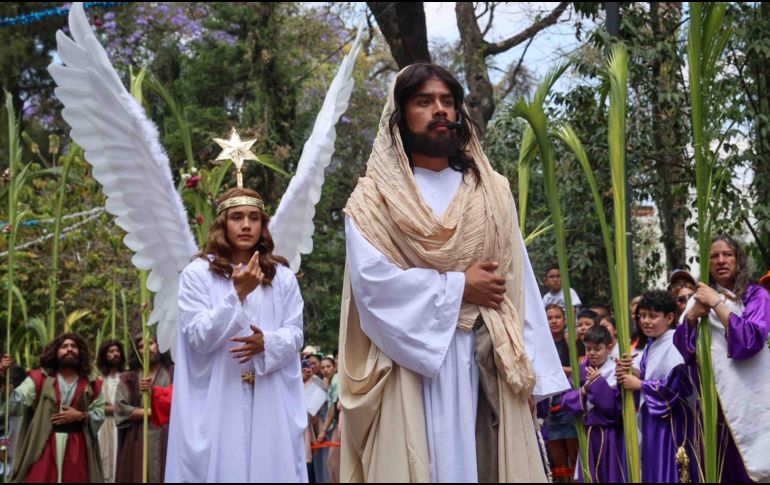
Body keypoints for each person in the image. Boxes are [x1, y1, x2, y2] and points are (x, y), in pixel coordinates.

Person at [339, 63, 568, 482]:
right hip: (410, 367)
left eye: (447, 101)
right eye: (424, 102)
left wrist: (534, 376)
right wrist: (460, 286)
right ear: (400, 115)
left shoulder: (491, 190)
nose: (439, 110)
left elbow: (517, 284)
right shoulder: (372, 200)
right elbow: (373, 287)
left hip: (489, 357)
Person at [165, 187, 307, 482]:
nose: (246, 225)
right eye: (237, 217)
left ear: (262, 225)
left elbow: (295, 333)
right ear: (222, 223)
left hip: (270, 401)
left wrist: (267, 343)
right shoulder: (198, 274)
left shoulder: (281, 277)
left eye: (254, 218)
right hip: (219, 402)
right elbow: (198, 336)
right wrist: (238, 294)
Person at [674, 235, 770, 482]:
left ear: (738, 259)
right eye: (714, 256)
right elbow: (683, 350)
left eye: (727, 254)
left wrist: (717, 303)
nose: (721, 260)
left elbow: (750, 340)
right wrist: (692, 317)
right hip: (711, 405)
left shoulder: (756, 295)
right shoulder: (697, 299)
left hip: (747, 400)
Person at [1, 333, 104, 482]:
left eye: (73, 346)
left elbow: (99, 413)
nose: (69, 349)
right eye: (64, 346)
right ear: (55, 352)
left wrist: (81, 415)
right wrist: (5, 379)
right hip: (43, 444)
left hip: (78, 445)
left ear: (80, 352)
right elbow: (15, 404)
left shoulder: (91, 382)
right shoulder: (39, 378)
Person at [617, 290, 697, 483]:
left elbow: (676, 386)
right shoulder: (653, 343)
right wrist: (630, 371)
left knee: (667, 466)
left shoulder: (675, 341)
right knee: (653, 466)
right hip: (653, 418)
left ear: (669, 317)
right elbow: (650, 374)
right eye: (642, 316)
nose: (645, 321)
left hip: (670, 420)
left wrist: (640, 385)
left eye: (652, 316)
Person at [561, 325, 627, 483]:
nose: (592, 353)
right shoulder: (581, 370)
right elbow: (564, 401)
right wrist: (583, 390)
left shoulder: (616, 370)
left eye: (597, 349)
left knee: (610, 475)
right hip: (588, 433)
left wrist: (597, 383)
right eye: (588, 348)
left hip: (610, 434)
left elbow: (613, 408)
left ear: (609, 348)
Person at [114, 335, 173, 483]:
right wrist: (153, 412)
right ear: (136, 352)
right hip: (137, 436)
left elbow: (180, 403)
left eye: (150, 343)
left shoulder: (174, 373)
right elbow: (121, 409)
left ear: (159, 346)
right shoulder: (128, 378)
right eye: (141, 346)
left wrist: (156, 396)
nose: (147, 348)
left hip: (168, 436)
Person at [543, 304, 578, 483]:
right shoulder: (542, 343)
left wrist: (557, 370)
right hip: (548, 407)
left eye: (557, 317)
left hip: (568, 403)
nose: (553, 321)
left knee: (574, 455)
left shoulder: (572, 340)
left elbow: (578, 369)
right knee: (557, 459)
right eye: (549, 318)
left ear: (565, 320)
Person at [96, 339, 126, 483]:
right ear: (104, 355)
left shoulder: (127, 378)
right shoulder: (97, 380)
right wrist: (117, 408)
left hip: (124, 426)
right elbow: (94, 407)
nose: (115, 354)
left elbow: (130, 405)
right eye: (111, 351)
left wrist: (112, 408)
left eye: (117, 351)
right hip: (102, 427)